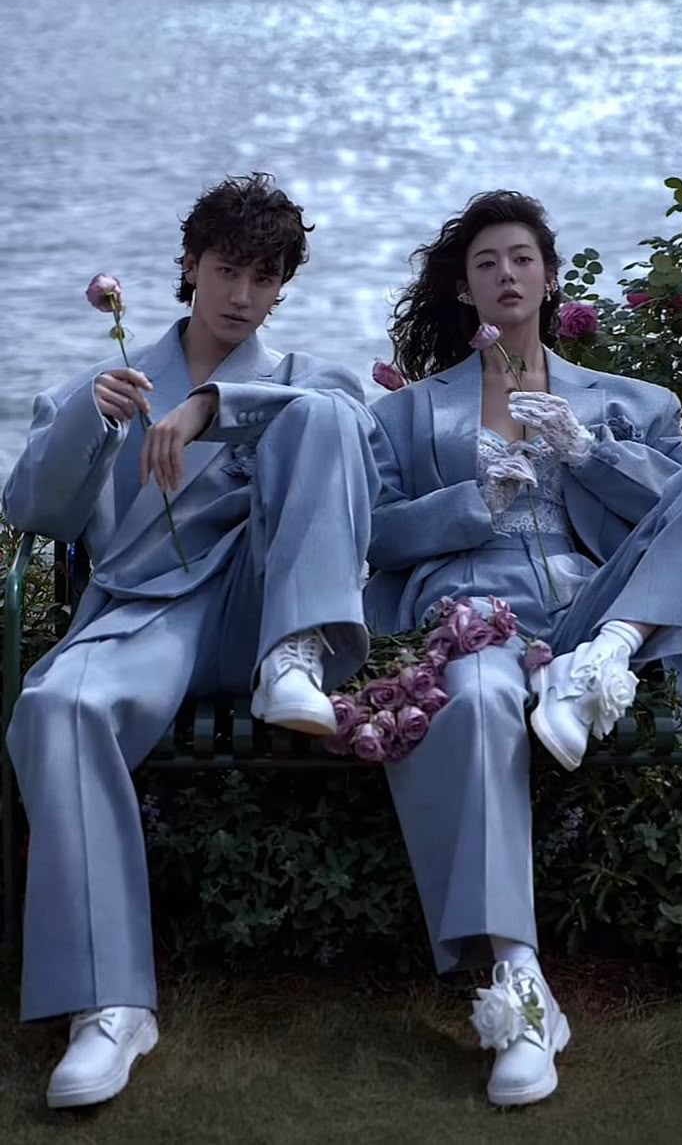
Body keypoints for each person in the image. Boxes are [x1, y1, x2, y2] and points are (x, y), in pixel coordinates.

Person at [3, 172, 377, 1108]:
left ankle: (297, 657)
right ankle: (110, 1005)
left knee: (326, 411)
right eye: (226, 269)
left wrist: (218, 409)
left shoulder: (303, 382)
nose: (242, 294)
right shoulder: (108, 385)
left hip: (258, 610)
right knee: (56, 704)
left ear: (283, 285)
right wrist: (95, 422)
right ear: (189, 266)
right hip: (149, 614)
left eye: (263, 276)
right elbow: (30, 511)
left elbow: (367, 460)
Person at [364, 190, 682, 1108]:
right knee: (480, 700)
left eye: (522, 257)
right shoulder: (412, 416)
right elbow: (370, 533)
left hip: (595, 609)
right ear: (464, 290)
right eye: (486, 262)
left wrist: (590, 454)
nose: (506, 274)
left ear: (551, 274)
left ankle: (605, 654)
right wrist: (468, 505)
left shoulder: (631, 403)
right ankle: (518, 984)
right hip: (475, 613)